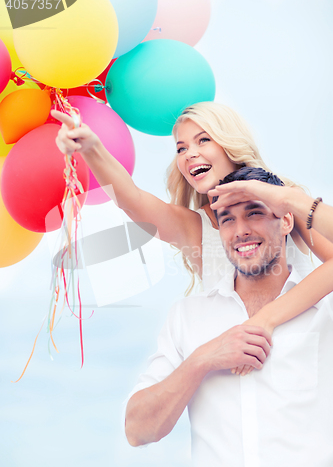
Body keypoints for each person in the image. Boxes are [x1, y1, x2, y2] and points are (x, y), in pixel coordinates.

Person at [51, 102, 333, 375]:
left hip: (301, 357)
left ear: (228, 144)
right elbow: (132, 199)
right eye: (181, 148)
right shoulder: (194, 227)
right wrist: (92, 148)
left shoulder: (281, 200)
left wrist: (265, 320)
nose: (189, 154)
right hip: (237, 368)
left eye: (203, 140)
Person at [125, 167, 333, 467]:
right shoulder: (188, 317)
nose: (241, 231)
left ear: (287, 220)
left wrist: (287, 198)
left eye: (255, 213)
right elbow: (138, 429)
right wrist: (203, 359)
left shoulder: (327, 310)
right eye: (227, 219)